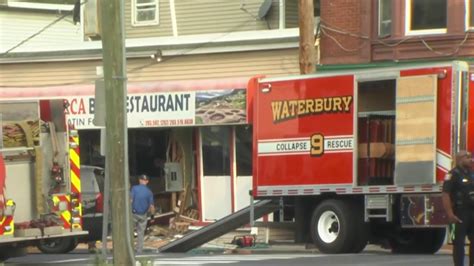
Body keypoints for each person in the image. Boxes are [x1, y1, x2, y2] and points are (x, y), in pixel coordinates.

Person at [442, 150, 474, 266]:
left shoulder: (471, 173)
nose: (471, 159)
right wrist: (450, 214)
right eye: (468, 157)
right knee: (459, 243)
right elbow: (446, 194)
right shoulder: (452, 174)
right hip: (460, 212)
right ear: (460, 159)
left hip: (472, 211)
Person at [130, 174, 155, 254]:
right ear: (147, 181)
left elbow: (130, 200)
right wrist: (152, 217)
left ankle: (130, 249)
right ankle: (139, 251)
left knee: (130, 232)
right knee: (141, 233)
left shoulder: (134, 188)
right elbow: (151, 206)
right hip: (143, 215)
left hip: (133, 214)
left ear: (139, 180)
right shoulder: (149, 192)